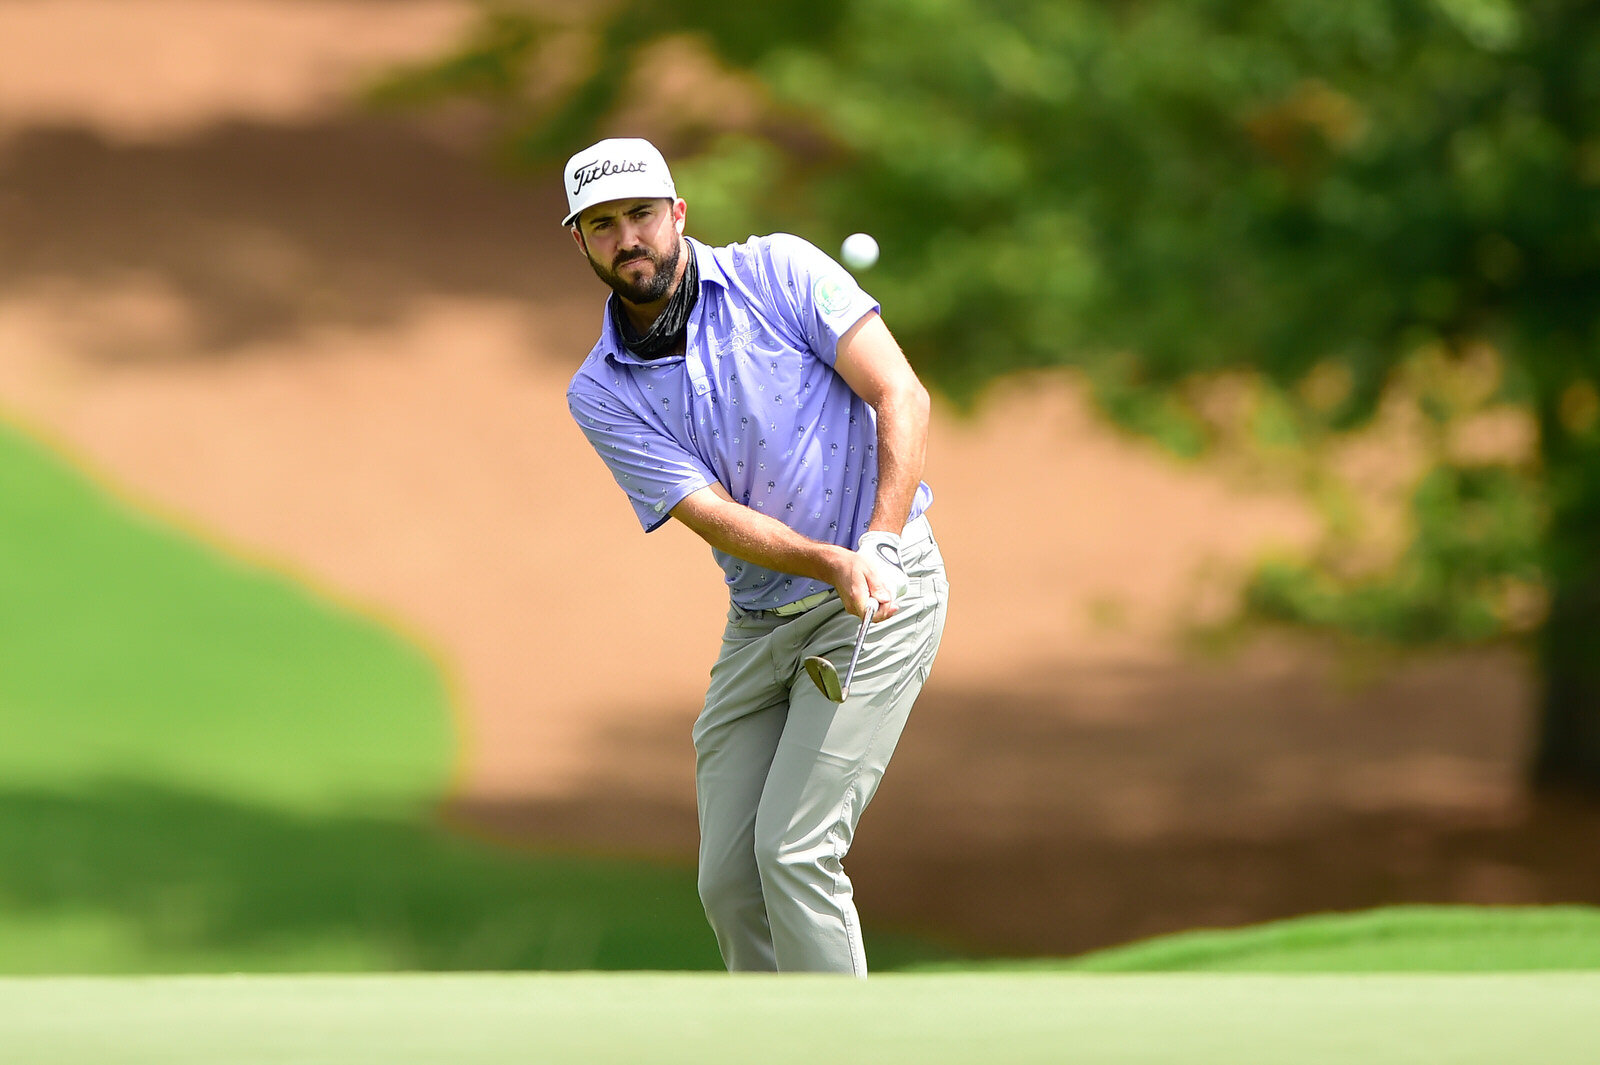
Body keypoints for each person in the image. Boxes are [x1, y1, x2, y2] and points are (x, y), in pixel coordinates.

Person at [561, 137, 949, 976]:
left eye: (641, 215)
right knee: (729, 881)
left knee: (796, 852)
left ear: (678, 215)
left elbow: (899, 392)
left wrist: (874, 545)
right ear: (582, 242)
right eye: (603, 225)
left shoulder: (779, 272)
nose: (629, 239)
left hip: (882, 592)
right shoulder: (600, 389)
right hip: (766, 618)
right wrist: (832, 562)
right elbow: (715, 516)